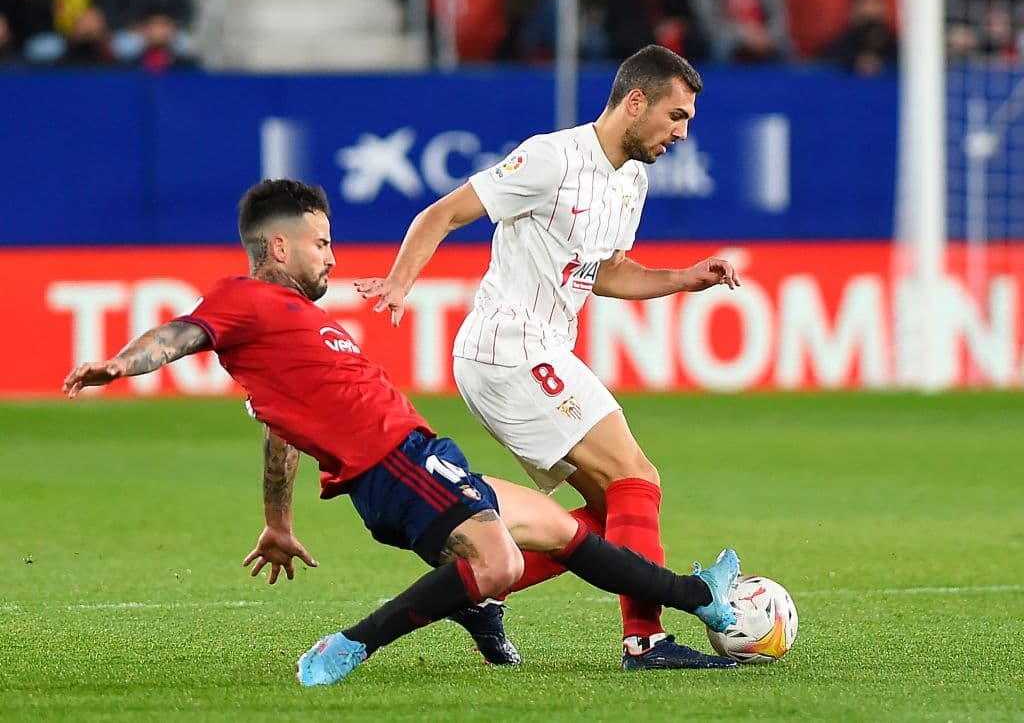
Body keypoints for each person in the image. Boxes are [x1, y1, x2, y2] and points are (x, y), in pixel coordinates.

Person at [62, 178, 742, 686]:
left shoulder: (288, 328)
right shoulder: (244, 300)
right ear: (279, 245)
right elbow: (179, 334)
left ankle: (697, 596)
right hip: (394, 465)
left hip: (418, 458)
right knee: (500, 563)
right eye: (321, 242)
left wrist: (277, 519)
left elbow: (281, 429)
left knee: (564, 532)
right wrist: (122, 363)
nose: (331, 256)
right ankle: (352, 642)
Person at [355, 44, 742, 671]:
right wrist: (400, 282)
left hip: (541, 350)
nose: (682, 132)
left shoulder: (632, 180)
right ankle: (645, 641)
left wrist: (683, 277)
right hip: (509, 349)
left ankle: (481, 587)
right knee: (636, 477)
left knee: (611, 510)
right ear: (635, 102)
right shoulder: (550, 158)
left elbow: (607, 272)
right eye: (676, 116)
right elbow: (443, 213)